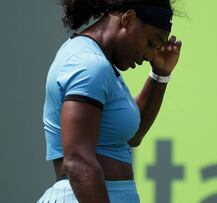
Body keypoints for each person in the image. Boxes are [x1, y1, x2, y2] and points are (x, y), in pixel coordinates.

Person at [37, 0, 182, 202]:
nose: (149, 55)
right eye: (150, 43)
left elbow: (132, 136)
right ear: (128, 19)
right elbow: (78, 162)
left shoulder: (99, 63)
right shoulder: (89, 64)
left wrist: (160, 75)